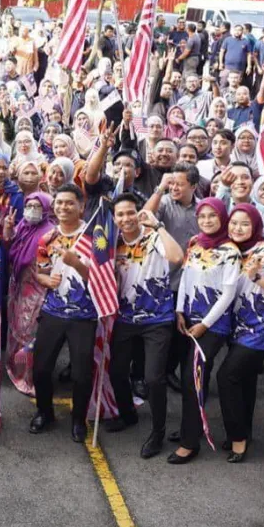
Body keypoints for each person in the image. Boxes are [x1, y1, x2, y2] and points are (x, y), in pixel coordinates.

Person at [106, 193, 184, 458]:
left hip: (157, 319)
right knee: (117, 371)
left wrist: (158, 226)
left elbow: (176, 257)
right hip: (125, 317)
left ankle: (158, 433)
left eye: (131, 212)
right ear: (114, 218)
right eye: (120, 214)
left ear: (139, 213)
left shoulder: (154, 238)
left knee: (153, 378)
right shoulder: (112, 243)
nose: (126, 218)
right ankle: (128, 415)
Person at [170, 198, 241, 464]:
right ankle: (192, 426)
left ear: (222, 218)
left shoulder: (230, 251)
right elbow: (186, 279)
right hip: (189, 319)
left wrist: (205, 325)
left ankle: (190, 443)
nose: (208, 221)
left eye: (213, 216)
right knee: (190, 377)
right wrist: (179, 311)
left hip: (213, 324)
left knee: (193, 377)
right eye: (203, 216)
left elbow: (228, 294)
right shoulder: (195, 244)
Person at [216, 204, 264, 463]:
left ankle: (238, 438)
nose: (238, 228)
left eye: (245, 224)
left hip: (261, 327)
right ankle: (244, 430)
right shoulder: (229, 250)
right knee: (244, 380)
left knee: (227, 376)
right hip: (236, 324)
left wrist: (257, 278)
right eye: (234, 223)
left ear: (255, 225)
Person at [30, 184, 95, 442]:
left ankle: (79, 419)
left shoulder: (94, 238)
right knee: (41, 369)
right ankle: (44, 412)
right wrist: (45, 281)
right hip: (53, 312)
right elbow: (41, 273)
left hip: (84, 315)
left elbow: (104, 281)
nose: (63, 207)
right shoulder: (46, 238)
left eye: (69, 203)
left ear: (81, 206)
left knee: (81, 374)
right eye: (59, 203)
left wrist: (76, 263)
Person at [2, 191, 55, 395]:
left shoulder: (50, 232)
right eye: (29, 206)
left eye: (37, 207)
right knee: (15, 329)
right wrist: (8, 228)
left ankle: (26, 376)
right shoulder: (23, 226)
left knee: (29, 333)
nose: (32, 211)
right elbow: (10, 244)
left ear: (47, 209)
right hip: (17, 286)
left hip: (36, 290)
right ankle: (13, 367)